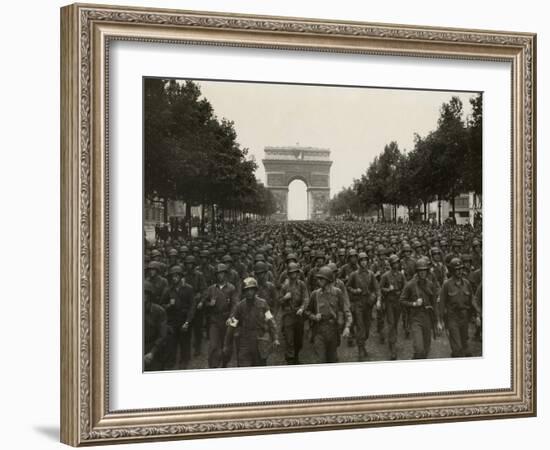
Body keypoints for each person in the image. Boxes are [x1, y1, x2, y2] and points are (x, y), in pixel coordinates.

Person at [224, 277, 280, 367]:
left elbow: (271, 321)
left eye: (251, 290)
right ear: (244, 292)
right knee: (243, 366)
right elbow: (232, 325)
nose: (249, 292)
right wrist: (227, 344)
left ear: (255, 290)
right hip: (244, 341)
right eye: (247, 290)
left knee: (259, 366)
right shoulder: (240, 306)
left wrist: (275, 338)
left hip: (259, 340)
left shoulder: (263, 304)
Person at [306, 266, 352, 363]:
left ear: (328, 280)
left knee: (332, 359)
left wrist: (347, 326)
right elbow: (307, 311)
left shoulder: (337, 292)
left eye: (321, 279)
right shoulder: (315, 294)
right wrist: (314, 317)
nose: (318, 281)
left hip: (333, 331)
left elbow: (346, 310)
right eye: (318, 278)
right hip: (319, 330)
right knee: (321, 360)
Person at [399, 258, 443, 359]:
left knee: (426, 348)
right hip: (415, 318)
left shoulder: (430, 284)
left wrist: (438, 322)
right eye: (420, 271)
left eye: (424, 270)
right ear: (417, 272)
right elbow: (401, 300)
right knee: (419, 348)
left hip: (427, 317)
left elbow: (434, 304)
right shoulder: (410, 285)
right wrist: (414, 304)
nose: (422, 273)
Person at [199, 264, 239, 368]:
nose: (219, 276)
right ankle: (213, 367)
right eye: (217, 274)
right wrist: (209, 304)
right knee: (213, 345)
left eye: (221, 273)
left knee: (227, 346)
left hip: (227, 320)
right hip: (214, 320)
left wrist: (231, 317)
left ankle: (224, 364)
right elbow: (203, 303)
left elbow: (235, 305)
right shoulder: (211, 289)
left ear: (225, 274)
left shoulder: (231, 288)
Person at [439, 258, 481, 357]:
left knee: (464, 343)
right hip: (452, 317)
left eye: (461, 269)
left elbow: (472, 300)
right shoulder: (447, 285)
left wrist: (478, 314)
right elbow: (441, 303)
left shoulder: (466, 283)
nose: (459, 271)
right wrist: (440, 321)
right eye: (456, 269)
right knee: (457, 346)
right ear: (452, 271)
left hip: (464, 317)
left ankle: (456, 355)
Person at [346, 252, 380, 361]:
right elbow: (347, 287)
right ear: (359, 262)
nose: (364, 262)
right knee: (360, 327)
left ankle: (362, 343)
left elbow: (376, 288)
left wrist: (376, 298)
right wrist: (355, 290)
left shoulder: (371, 274)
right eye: (362, 261)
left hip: (368, 304)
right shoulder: (354, 274)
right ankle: (360, 349)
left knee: (367, 328)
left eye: (365, 260)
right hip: (358, 304)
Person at [160, 265, 195, 369]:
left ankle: (184, 361)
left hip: (184, 319)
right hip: (172, 320)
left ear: (180, 276)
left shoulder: (188, 289)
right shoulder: (168, 290)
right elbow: (161, 305)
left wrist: (188, 322)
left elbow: (192, 306)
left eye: (176, 276)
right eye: (172, 276)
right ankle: (171, 362)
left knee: (185, 342)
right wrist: (168, 305)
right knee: (172, 343)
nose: (174, 278)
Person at [278, 262, 310, 364]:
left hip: (299, 315)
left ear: (297, 273)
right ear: (288, 274)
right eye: (291, 273)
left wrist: (302, 308)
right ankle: (290, 360)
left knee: (299, 341)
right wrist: (284, 298)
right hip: (288, 315)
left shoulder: (301, 284)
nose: (293, 275)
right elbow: (278, 301)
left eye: (295, 273)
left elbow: (306, 298)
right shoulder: (284, 287)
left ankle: (295, 357)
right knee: (289, 340)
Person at [380, 254, 406, 360]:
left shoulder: (401, 275)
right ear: (391, 264)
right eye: (394, 263)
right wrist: (388, 290)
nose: (396, 264)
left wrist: (402, 294)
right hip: (389, 302)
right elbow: (380, 288)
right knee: (391, 323)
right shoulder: (385, 276)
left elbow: (405, 287)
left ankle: (392, 339)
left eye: (397, 262)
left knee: (395, 323)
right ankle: (393, 346)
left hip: (398, 303)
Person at [143, 280, 168, 371]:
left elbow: (162, 335)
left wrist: (152, 352)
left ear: (149, 295)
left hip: (154, 347)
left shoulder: (159, 311)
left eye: (144, 293)